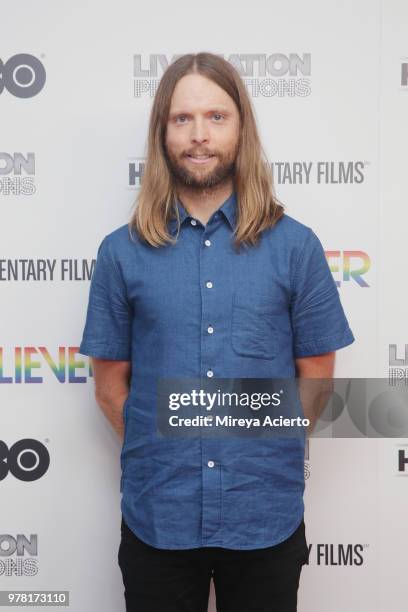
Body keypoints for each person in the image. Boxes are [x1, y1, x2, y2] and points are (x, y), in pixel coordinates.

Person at [79, 52, 355, 612]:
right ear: (162, 131)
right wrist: (160, 455)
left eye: (216, 117)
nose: (199, 136)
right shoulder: (120, 252)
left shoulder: (295, 246)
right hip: (158, 516)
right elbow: (110, 386)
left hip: (264, 518)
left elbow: (317, 378)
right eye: (182, 119)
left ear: (241, 128)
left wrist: (262, 450)